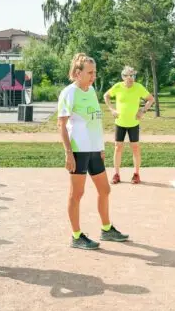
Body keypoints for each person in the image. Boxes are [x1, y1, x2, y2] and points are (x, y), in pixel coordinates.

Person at [58, 53, 129, 250]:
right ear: (78, 73)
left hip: (93, 150)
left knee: (105, 190)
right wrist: (68, 153)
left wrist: (100, 147)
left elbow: (95, 122)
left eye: (94, 72)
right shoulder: (69, 93)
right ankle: (76, 236)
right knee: (77, 194)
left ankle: (106, 230)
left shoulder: (91, 91)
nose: (93, 76)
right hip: (79, 150)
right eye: (90, 72)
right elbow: (61, 125)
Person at [103, 66, 155, 184]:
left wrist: (143, 111)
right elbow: (106, 96)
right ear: (123, 76)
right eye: (128, 75)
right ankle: (116, 174)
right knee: (118, 147)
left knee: (135, 148)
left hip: (134, 123)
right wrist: (112, 109)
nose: (131, 78)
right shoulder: (118, 86)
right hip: (120, 123)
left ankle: (136, 174)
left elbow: (151, 99)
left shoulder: (138, 87)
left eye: (133, 75)